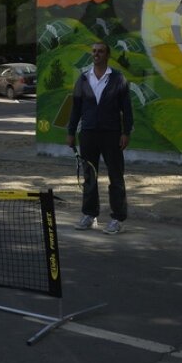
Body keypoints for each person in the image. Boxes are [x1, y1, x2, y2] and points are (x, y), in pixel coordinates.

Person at [66, 41, 134, 235]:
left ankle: (118, 218)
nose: (96, 54)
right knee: (90, 176)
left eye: (100, 51)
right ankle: (89, 215)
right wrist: (71, 132)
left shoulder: (118, 78)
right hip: (88, 133)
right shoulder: (84, 78)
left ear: (107, 55)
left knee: (116, 176)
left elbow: (127, 109)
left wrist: (126, 132)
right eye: (94, 51)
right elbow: (76, 108)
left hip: (112, 134)